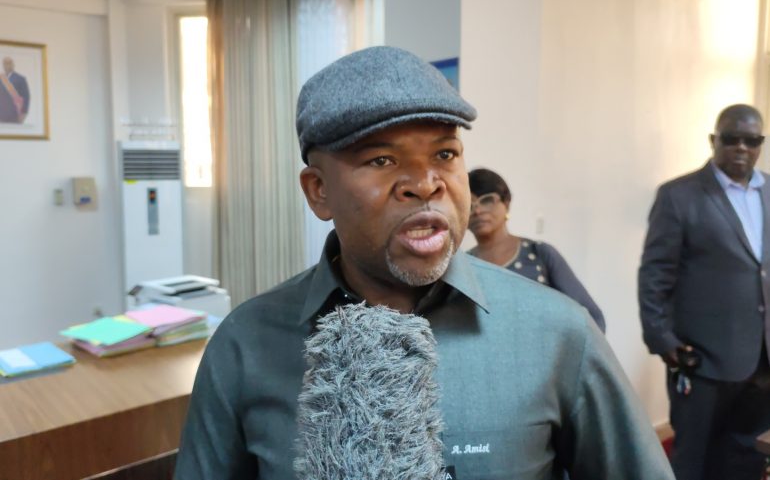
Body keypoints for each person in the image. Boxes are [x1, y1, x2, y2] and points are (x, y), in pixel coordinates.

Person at [176, 46, 673, 480]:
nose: (425, 183)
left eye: (445, 154)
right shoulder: (245, 344)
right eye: (381, 160)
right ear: (319, 190)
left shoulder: (559, 334)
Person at [639, 103, 770, 480]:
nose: (741, 147)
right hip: (702, 358)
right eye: (732, 138)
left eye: (751, 140)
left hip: (761, 359)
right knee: (695, 459)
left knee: (747, 457)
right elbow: (655, 274)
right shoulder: (679, 195)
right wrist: (663, 340)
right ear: (714, 140)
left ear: (760, 144)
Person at [467, 168, 606, 332]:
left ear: (507, 203)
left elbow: (591, 318)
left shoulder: (539, 254)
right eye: (469, 205)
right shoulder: (462, 266)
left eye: (487, 200)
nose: (477, 211)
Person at [0, 57, 30, 124]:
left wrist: (24, 113)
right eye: (5, 63)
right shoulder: (1, 78)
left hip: (15, 114)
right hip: (1, 114)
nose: (7, 65)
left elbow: (26, 97)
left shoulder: (21, 79)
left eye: (9, 63)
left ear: (13, 65)